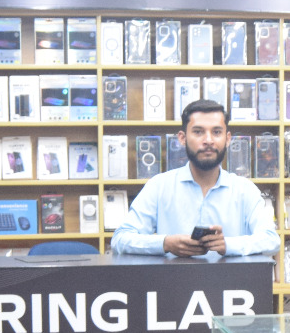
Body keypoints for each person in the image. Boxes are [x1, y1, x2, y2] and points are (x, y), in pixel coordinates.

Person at [110, 98, 280, 257]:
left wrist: (228, 245)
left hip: (231, 279)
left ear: (228, 139)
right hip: (173, 278)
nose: (208, 140)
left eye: (217, 132)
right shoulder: (159, 186)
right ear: (182, 138)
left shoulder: (245, 189)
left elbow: (271, 241)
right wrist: (165, 243)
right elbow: (120, 239)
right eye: (198, 132)